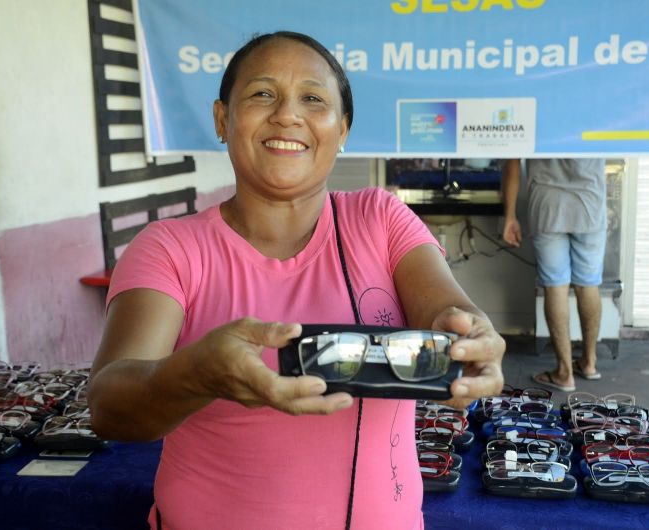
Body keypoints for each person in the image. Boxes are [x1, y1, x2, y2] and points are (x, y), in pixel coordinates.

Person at [88, 31, 505, 530]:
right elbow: (109, 406)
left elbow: (444, 308)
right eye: (262, 94)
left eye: (313, 98)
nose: (287, 114)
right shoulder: (169, 247)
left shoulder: (380, 216)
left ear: (343, 128)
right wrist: (195, 375)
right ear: (223, 119)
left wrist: (467, 338)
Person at [501, 158, 607, 393]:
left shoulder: (536, 118)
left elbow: (512, 163)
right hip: (590, 204)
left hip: (548, 207)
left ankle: (564, 373)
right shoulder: (597, 119)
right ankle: (589, 363)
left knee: (555, 287)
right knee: (588, 285)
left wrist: (509, 216)